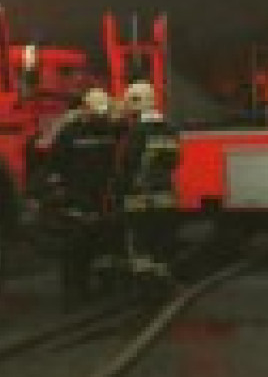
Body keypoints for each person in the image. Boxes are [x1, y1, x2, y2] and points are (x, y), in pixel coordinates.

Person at [49, 87, 119, 308]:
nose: (100, 118)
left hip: (99, 198)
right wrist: (61, 195)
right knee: (75, 247)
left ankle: (93, 290)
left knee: (97, 246)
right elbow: (56, 165)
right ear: (86, 110)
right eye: (97, 114)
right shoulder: (68, 133)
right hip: (76, 200)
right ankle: (73, 294)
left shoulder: (108, 131)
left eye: (102, 115)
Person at [115, 81, 181, 281]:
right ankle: (162, 277)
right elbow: (174, 160)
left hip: (138, 196)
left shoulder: (137, 131)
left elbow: (129, 162)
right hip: (165, 193)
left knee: (140, 240)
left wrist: (120, 188)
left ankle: (145, 281)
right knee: (162, 238)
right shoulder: (170, 129)